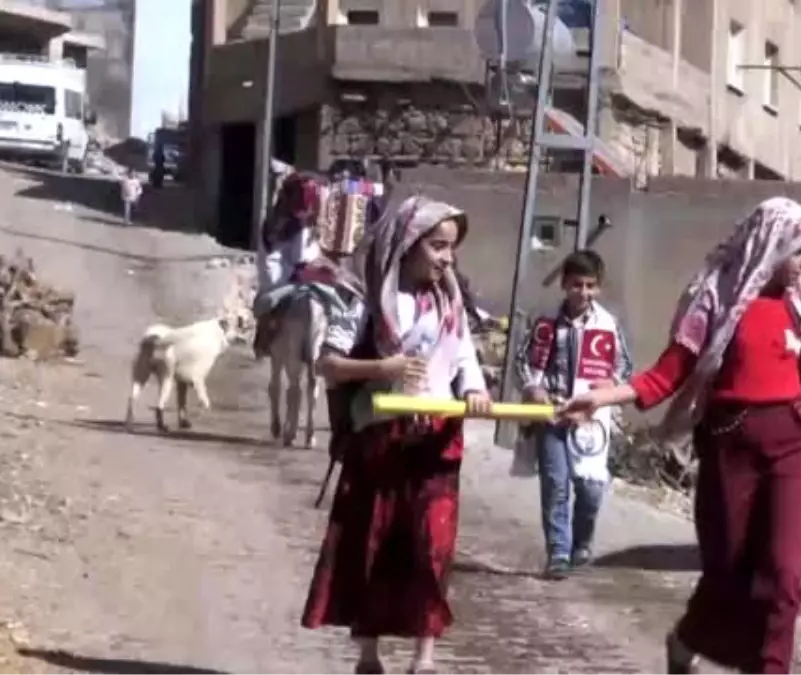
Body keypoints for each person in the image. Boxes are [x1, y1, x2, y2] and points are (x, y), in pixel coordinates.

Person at [558, 197, 801, 675]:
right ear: (770, 245)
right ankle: (687, 639)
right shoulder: (716, 296)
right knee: (729, 573)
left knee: (784, 576)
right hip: (728, 445)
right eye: (798, 250)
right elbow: (672, 370)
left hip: (792, 445)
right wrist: (607, 396)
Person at [301, 195, 493, 675]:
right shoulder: (367, 301)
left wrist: (474, 390)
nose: (447, 258)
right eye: (438, 247)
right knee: (374, 540)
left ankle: (424, 658)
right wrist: (382, 367)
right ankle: (369, 654)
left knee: (432, 544)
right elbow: (328, 363)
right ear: (407, 245)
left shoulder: (450, 303)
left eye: (451, 249)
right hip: (379, 443)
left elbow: (464, 357)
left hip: (435, 442)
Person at [514, 249, 631, 579]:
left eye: (590, 286)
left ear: (598, 288)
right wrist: (531, 389)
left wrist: (609, 385)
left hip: (591, 420)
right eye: (577, 284)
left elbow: (625, 366)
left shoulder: (608, 325)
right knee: (555, 484)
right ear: (564, 284)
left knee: (591, 489)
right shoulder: (545, 322)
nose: (583, 292)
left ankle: (582, 540)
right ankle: (559, 552)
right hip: (552, 414)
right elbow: (523, 361)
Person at [252, 172, 328, 358]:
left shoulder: (299, 222)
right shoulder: (279, 224)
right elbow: (293, 259)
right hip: (280, 278)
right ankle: (266, 337)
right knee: (269, 305)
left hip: (295, 271)